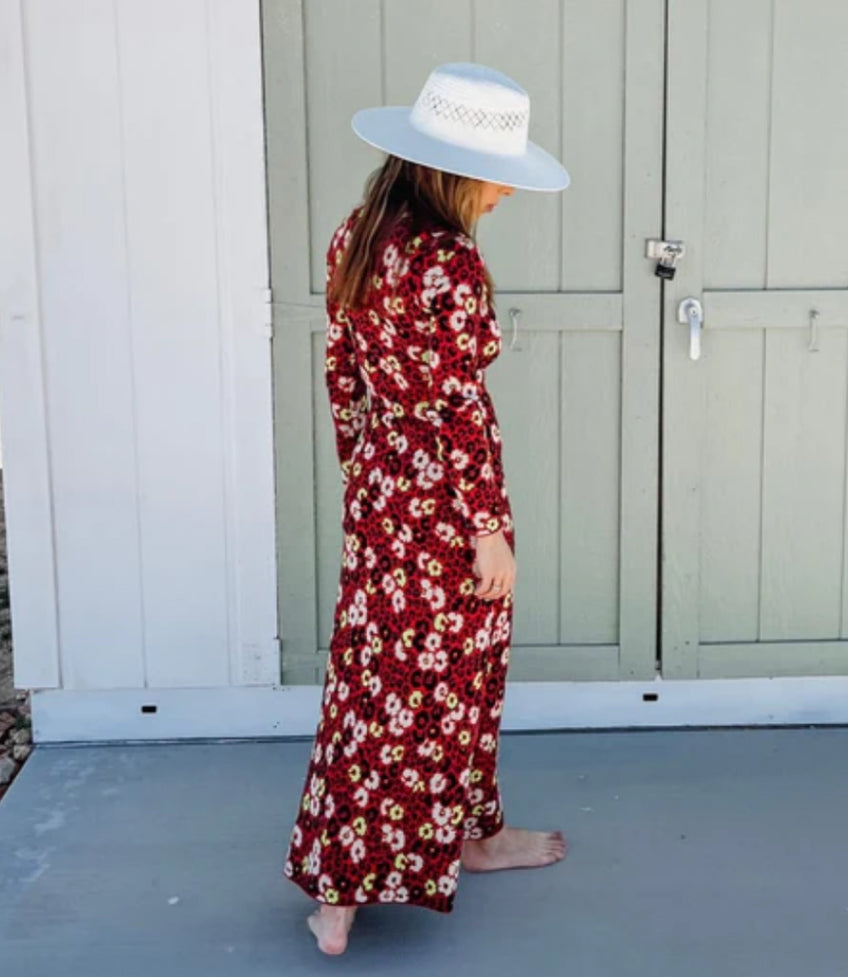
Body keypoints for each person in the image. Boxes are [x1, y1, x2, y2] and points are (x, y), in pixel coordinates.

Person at [281, 63, 571, 955]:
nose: (505, 193)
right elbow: (457, 405)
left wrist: (367, 476)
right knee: (447, 684)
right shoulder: (448, 259)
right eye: (497, 176)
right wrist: (484, 526)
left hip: (382, 494)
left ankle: (382, 872)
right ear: (456, 172)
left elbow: (342, 374)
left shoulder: (355, 236)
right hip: (448, 504)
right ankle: (423, 855)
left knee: (377, 680)